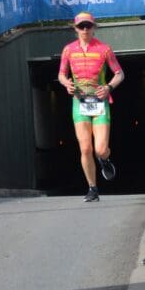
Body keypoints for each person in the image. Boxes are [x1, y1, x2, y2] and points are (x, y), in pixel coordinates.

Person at [58, 12, 125, 202]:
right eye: (81, 27)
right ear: (76, 29)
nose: (85, 30)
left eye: (88, 26)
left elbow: (120, 73)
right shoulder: (68, 50)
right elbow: (62, 74)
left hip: (100, 103)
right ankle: (92, 188)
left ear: (94, 27)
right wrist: (66, 83)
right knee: (85, 148)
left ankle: (104, 160)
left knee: (100, 149)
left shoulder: (104, 49)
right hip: (79, 103)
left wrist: (109, 87)